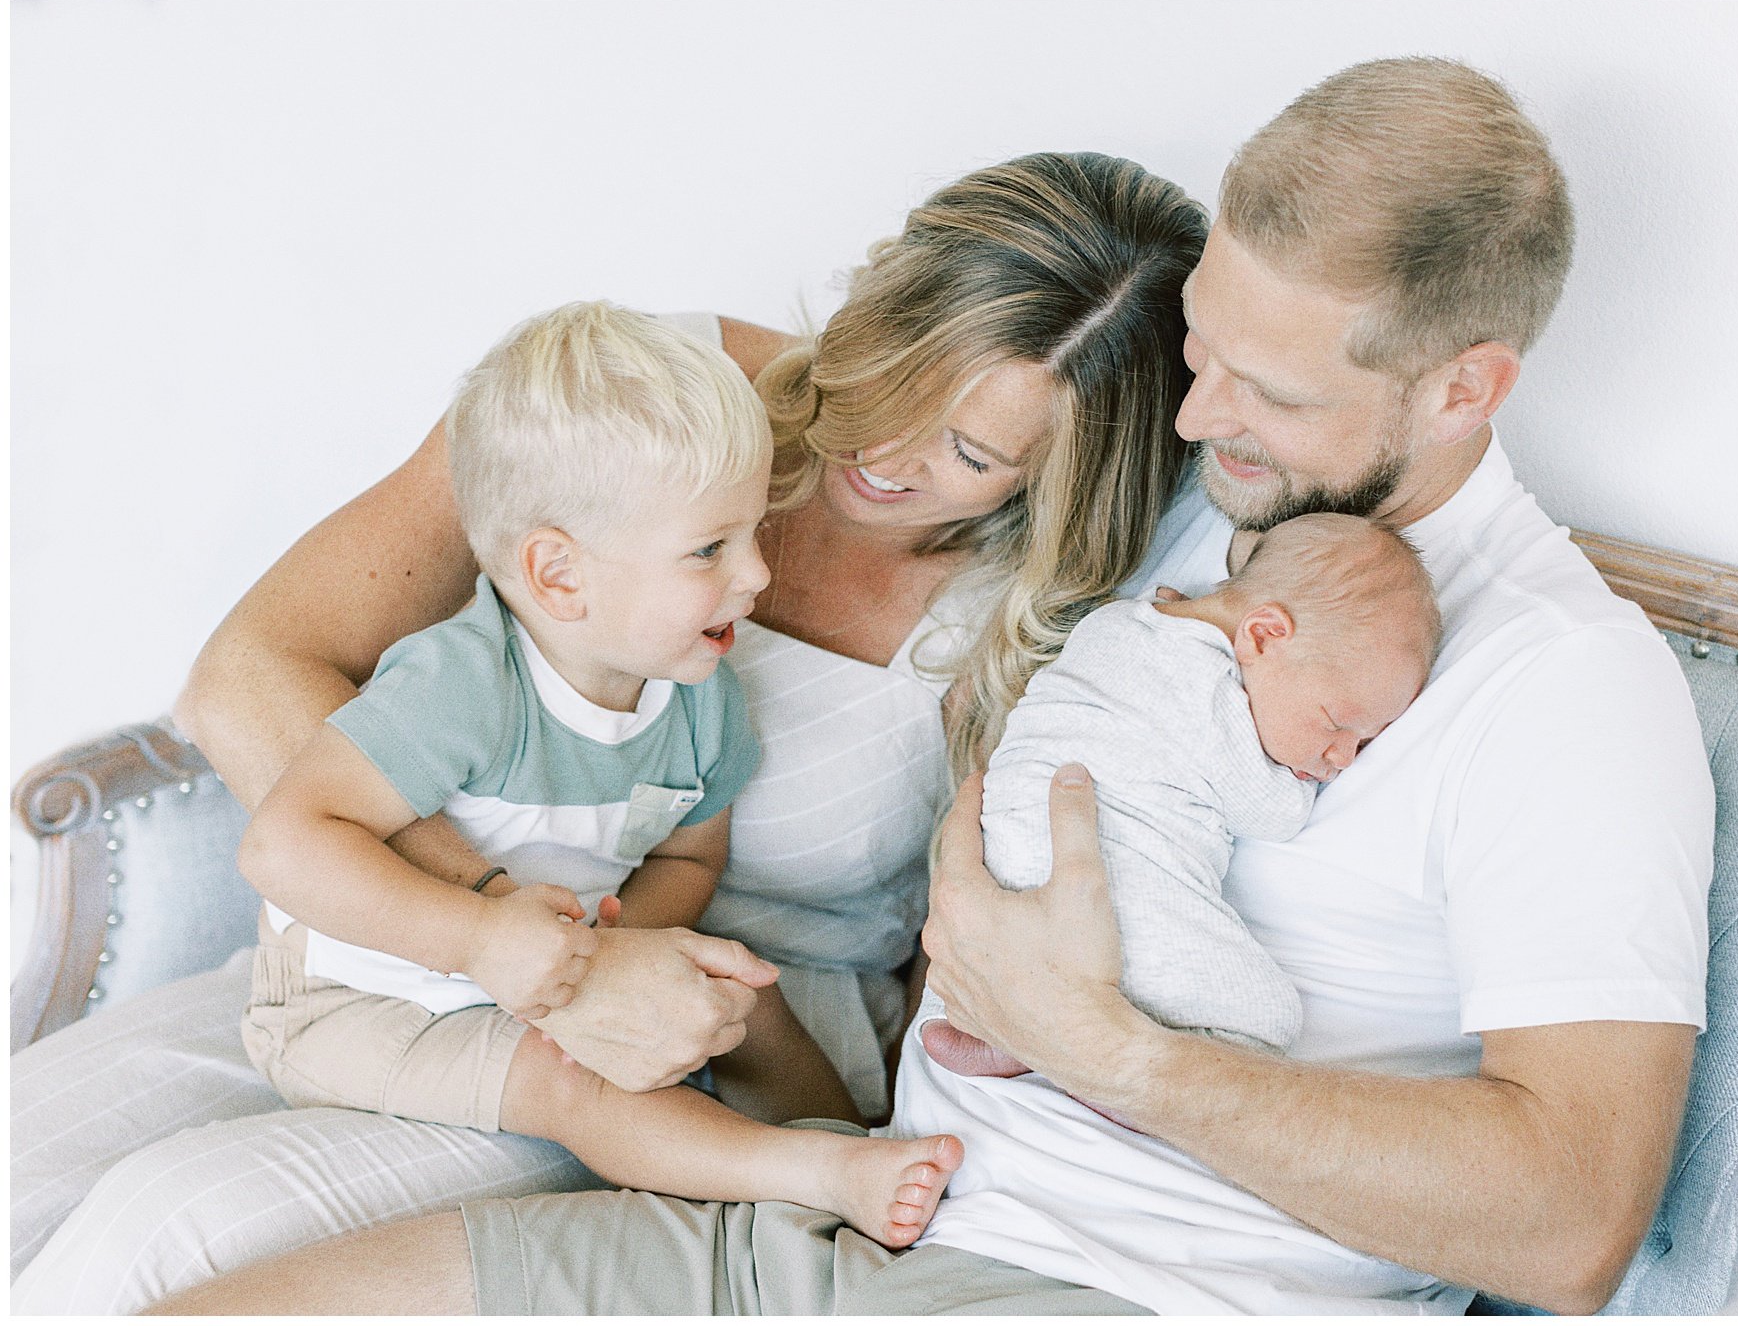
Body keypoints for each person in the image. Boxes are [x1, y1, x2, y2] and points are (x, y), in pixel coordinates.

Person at [142, 55, 1712, 1317]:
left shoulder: (1561, 691)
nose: (1193, 418)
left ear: (1467, 387)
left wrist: (1115, 1054)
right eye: (1200, 353)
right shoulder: (1215, 523)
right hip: (856, 1214)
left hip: (1076, 1279)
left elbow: (1573, 1227)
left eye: (1266, 389)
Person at [11, 151, 1208, 1312]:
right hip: (384, 952)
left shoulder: (1044, 615)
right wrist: (509, 943)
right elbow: (250, 675)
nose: (884, 453)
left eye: (969, 450)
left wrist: (618, 1007)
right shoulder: (649, 387)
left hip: (677, 1056)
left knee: (164, 1233)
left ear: (1064, 475)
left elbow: (966, 970)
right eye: (894, 370)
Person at [235, 300, 969, 1245]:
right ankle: (815, 1175)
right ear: (559, 576)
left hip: (531, 963)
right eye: (711, 549)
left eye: (751, 534)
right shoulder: (461, 684)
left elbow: (693, 861)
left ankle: (854, 1153)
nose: (754, 575)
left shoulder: (700, 694)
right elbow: (286, 843)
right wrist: (482, 941)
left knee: (743, 988)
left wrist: (615, 955)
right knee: (568, 1081)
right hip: (364, 998)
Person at [923, 511, 1440, 1079]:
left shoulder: (1124, 621)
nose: (1343, 757)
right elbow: (1270, 814)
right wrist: (1295, 788)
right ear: (1264, 634)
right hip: (1097, 880)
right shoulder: (1206, 695)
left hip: (1003, 854)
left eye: (1364, 743)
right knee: (1268, 1017)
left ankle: (1013, 1036)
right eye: (1339, 723)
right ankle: (1081, 1068)